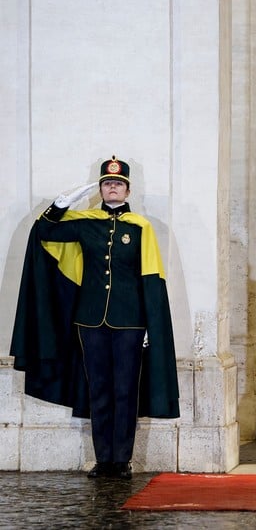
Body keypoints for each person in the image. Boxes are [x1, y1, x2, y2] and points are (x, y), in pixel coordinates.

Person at [10, 156, 180, 480]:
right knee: (98, 390)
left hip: (130, 323)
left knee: (125, 391)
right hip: (90, 321)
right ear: (101, 189)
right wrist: (60, 205)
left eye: (117, 183)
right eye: (107, 183)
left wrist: (149, 324)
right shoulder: (84, 222)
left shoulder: (140, 227)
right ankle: (104, 460)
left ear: (128, 190)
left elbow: (151, 277)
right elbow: (44, 232)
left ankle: (123, 460)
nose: (112, 187)